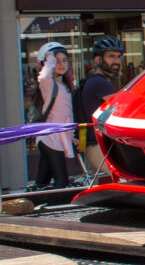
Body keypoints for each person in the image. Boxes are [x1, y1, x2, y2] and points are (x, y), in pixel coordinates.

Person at [33, 42, 76, 189]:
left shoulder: (64, 86)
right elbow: (44, 76)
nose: (61, 64)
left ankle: (36, 201)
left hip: (57, 136)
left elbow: (67, 115)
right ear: (46, 63)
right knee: (61, 179)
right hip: (49, 136)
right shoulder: (49, 85)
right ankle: (59, 206)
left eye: (64, 60)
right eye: (57, 61)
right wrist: (49, 58)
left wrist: (72, 137)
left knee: (42, 180)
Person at [79, 36, 124, 174]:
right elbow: (122, 109)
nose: (116, 61)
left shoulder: (93, 81)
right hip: (99, 147)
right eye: (111, 56)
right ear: (98, 60)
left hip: (93, 146)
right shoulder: (100, 83)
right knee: (128, 179)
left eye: (118, 56)